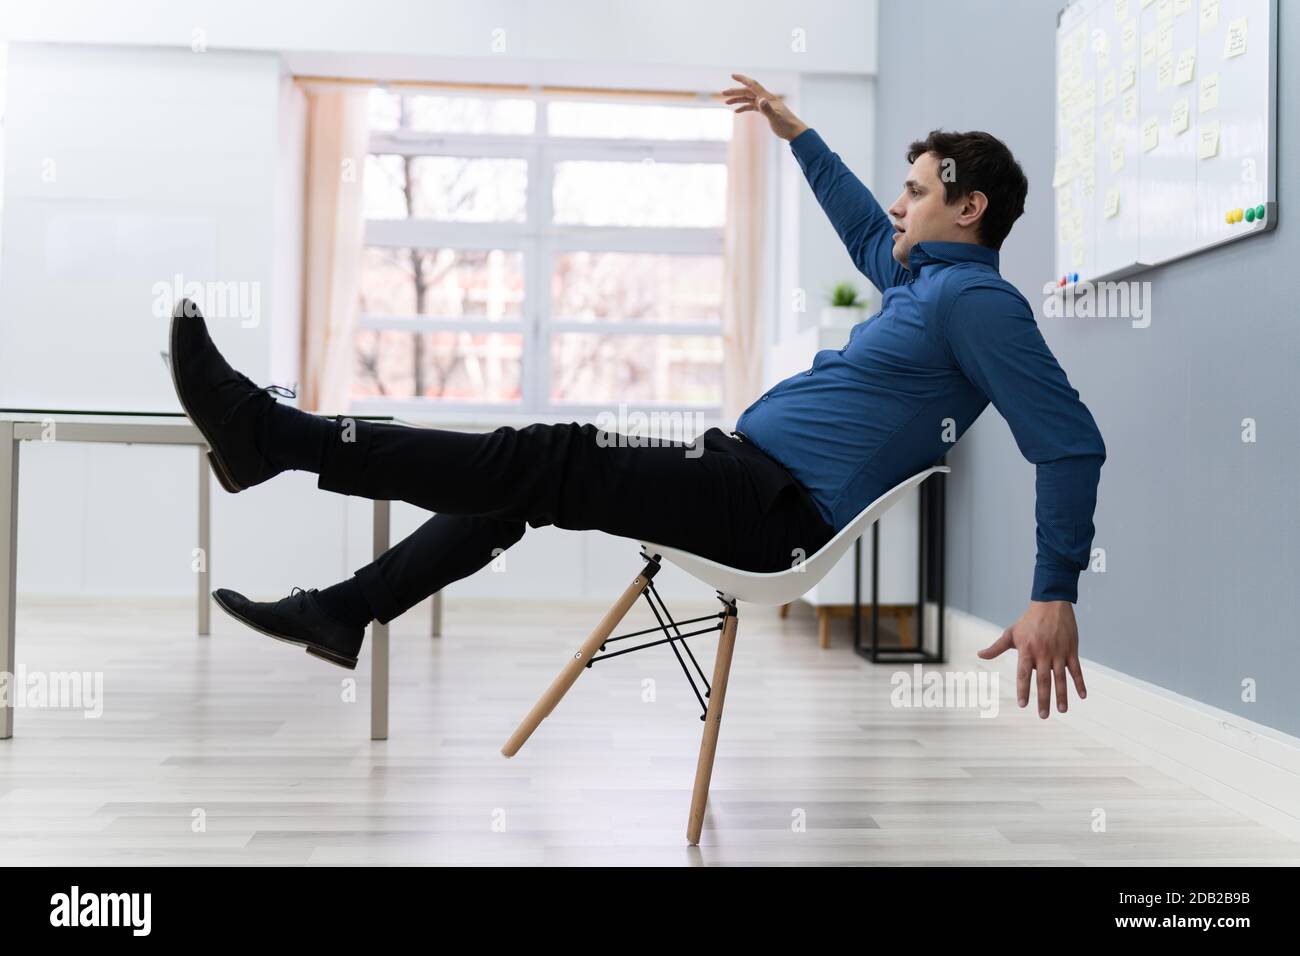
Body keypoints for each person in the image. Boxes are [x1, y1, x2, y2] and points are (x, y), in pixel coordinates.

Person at [167, 72, 1104, 720]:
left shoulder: (977, 302)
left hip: (767, 510)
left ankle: (274, 436)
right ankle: (344, 609)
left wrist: (1053, 592)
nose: (897, 208)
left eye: (915, 191)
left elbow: (1068, 443)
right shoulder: (923, 283)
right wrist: (797, 133)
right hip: (742, 478)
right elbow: (867, 229)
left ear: (968, 206)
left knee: (544, 456)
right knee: (521, 486)